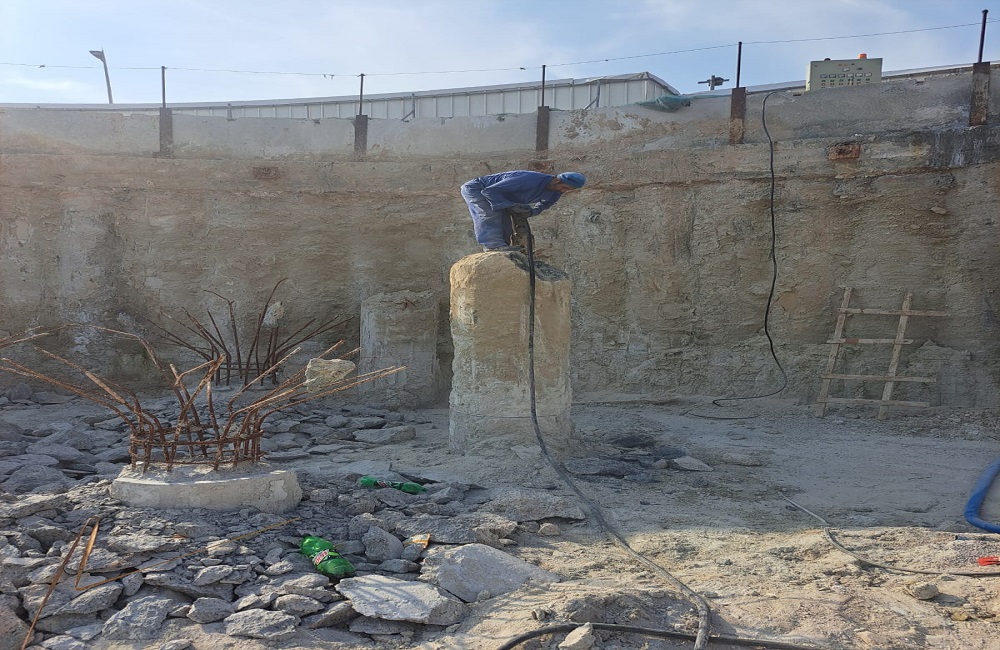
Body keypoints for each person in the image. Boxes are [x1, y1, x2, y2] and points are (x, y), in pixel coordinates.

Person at [460, 170, 586, 251]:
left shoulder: (555, 191)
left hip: (500, 196)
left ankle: (502, 247)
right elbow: (489, 191)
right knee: (490, 214)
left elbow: (545, 204)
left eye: (568, 190)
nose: (563, 191)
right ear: (557, 180)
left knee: (505, 220)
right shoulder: (529, 179)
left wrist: (531, 212)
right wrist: (510, 205)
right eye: (564, 187)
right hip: (477, 189)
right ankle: (493, 247)